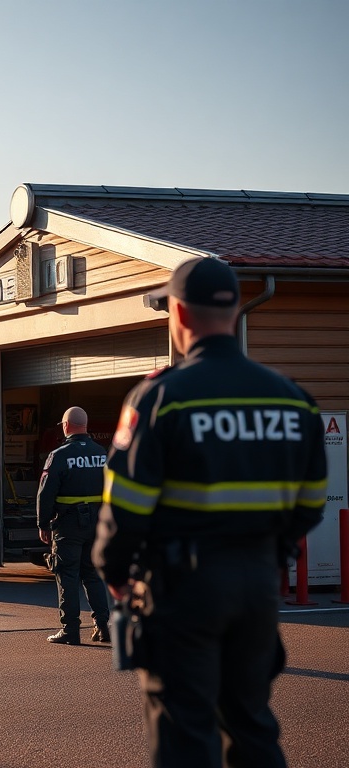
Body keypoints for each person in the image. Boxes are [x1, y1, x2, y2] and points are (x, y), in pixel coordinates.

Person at [92, 257, 327, 768]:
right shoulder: (295, 401)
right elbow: (311, 505)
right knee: (251, 724)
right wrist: (272, 554)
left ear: (179, 312)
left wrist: (114, 575)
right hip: (259, 584)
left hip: (183, 590)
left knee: (185, 732)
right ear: (237, 311)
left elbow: (126, 508)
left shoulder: (161, 398)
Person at [37, 406, 111, 645]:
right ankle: (102, 626)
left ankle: (70, 629)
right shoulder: (102, 453)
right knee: (93, 575)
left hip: (68, 525)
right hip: (97, 524)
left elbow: (45, 494)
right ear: (86, 426)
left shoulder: (58, 455)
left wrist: (43, 523)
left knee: (67, 574)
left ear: (66, 426)